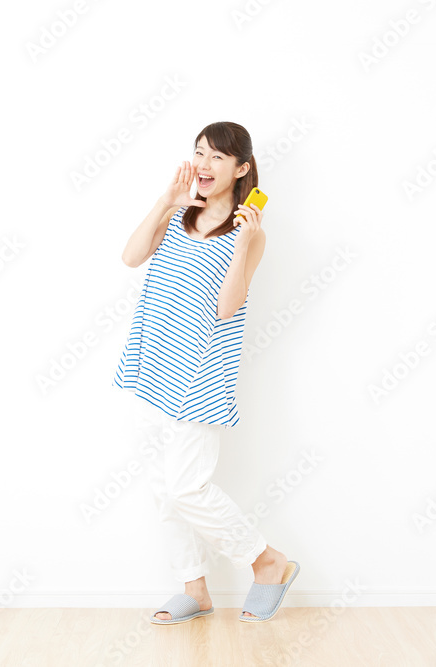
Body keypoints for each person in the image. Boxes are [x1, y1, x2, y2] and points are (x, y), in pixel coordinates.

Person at [111, 121, 300, 624]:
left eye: (217, 156)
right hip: (152, 366)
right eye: (199, 152)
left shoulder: (249, 234)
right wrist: (166, 201)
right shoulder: (178, 214)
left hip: (198, 376)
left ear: (241, 169)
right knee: (163, 490)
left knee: (186, 488)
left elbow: (228, 307)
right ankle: (195, 590)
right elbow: (131, 257)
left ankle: (266, 560)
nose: (204, 164)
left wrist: (243, 242)